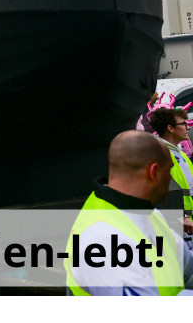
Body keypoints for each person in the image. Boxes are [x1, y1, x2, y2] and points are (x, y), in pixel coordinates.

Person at [65, 130, 193, 295]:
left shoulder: (150, 214)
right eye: (169, 171)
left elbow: (186, 265)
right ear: (153, 173)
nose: (170, 179)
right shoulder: (104, 240)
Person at [149, 106, 193, 248]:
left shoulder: (181, 154)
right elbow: (161, 188)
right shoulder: (159, 153)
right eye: (183, 124)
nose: (188, 127)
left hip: (186, 224)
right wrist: (180, 216)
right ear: (170, 128)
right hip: (177, 225)